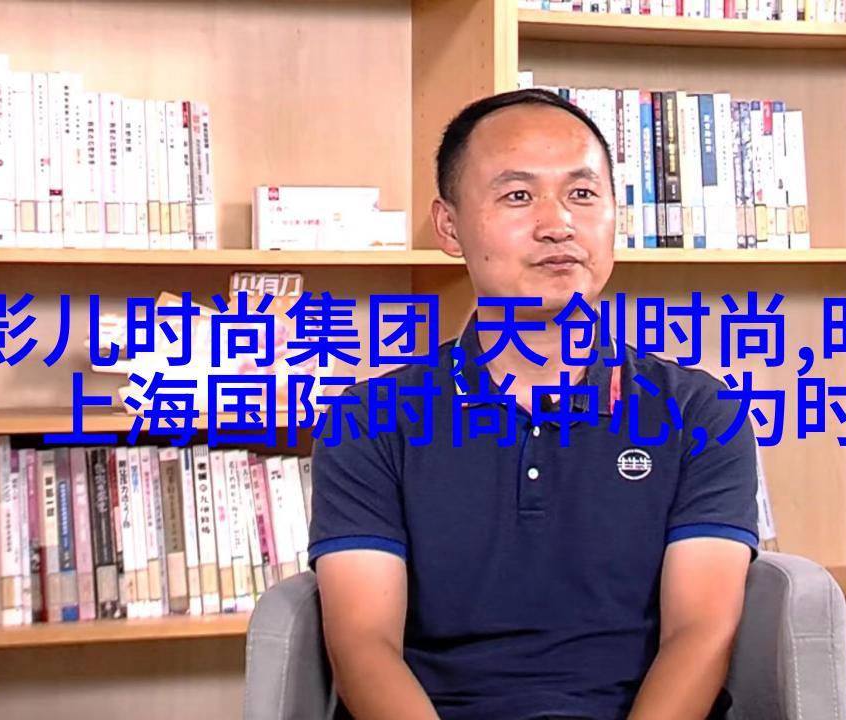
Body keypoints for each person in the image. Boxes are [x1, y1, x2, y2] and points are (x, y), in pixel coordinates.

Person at [308, 88, 760, 720]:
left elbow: (700, 633)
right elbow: (364, 645)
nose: (558, 224)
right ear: (449, 226)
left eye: (583, 193)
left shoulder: (700, 413)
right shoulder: (370, 421)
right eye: (518, 195)